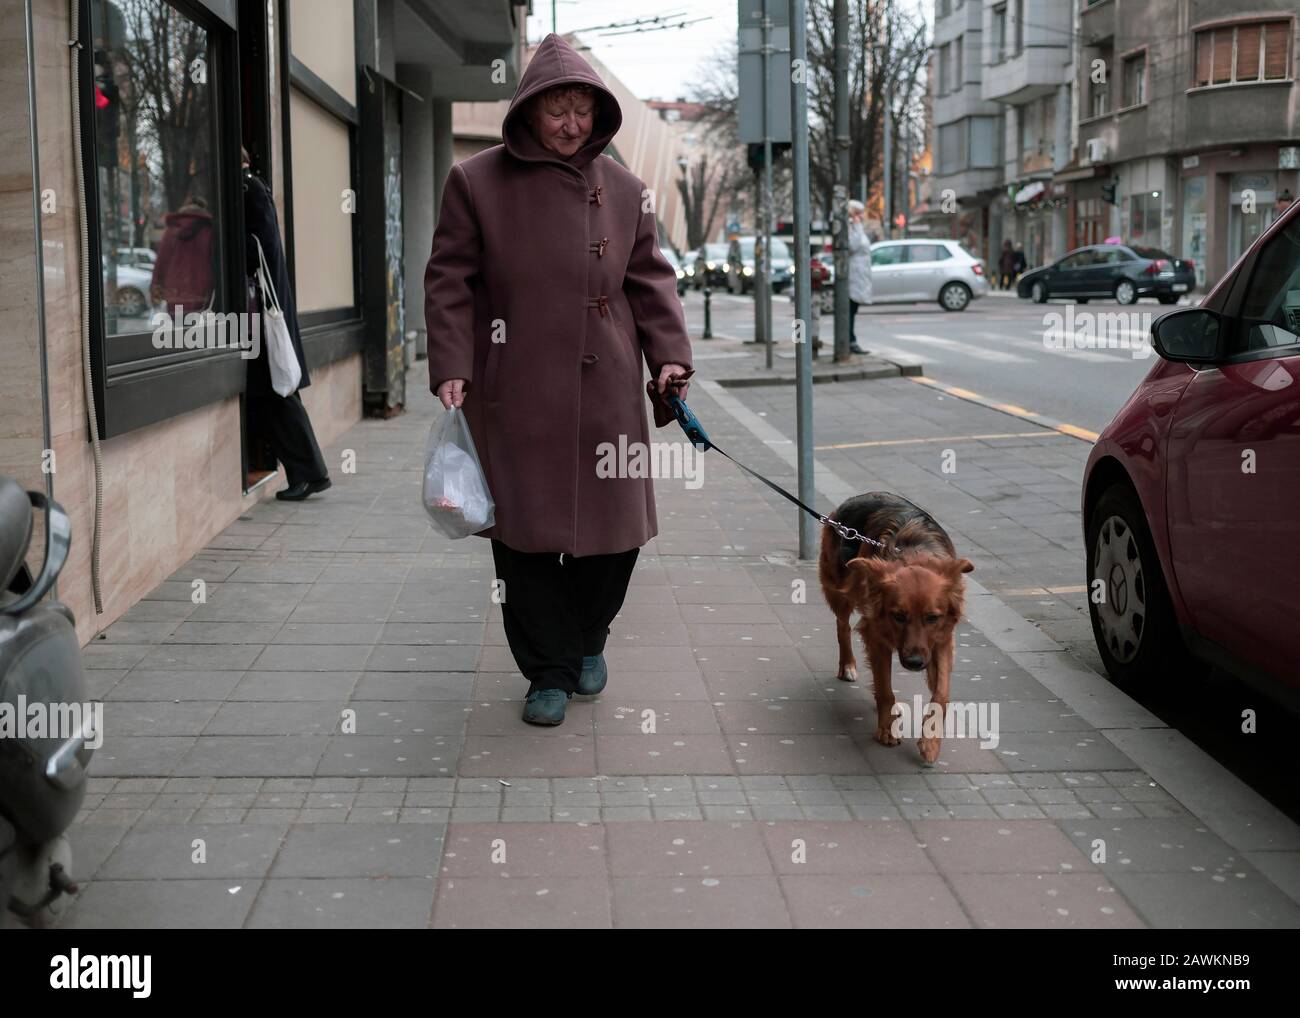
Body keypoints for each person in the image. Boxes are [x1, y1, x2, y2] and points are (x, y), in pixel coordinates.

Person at [424, 34, 693, 727]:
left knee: (618, 532)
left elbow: (651, 282)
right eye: (557, 111)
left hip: (608, 388)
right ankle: (547, 672)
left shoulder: (628, 189)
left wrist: (669, 357)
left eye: (582, 110)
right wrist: (452, 364)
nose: (571, 124)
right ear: (528, 112)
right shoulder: (475, 181)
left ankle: (588, 639)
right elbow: (449, 280)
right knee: (524, 538)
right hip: (516, 387)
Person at [241, 146, 331, 501]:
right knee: (275, 394)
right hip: (263, 311)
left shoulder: (249, 190)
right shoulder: (255, 188)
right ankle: (306, 473)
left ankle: (310, 472)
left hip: (262, 313)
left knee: (278, 393)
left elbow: (256, 249)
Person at [846, 200, 872, 355]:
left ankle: (851, 339)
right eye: (859, 213)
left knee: (853, 308)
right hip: (853, 273)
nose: (862, 216)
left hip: (860, 274)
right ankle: (850, 340)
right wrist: (856, 225)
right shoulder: (851, 226)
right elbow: (852, 246)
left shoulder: (857, 227)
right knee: (849, 307)